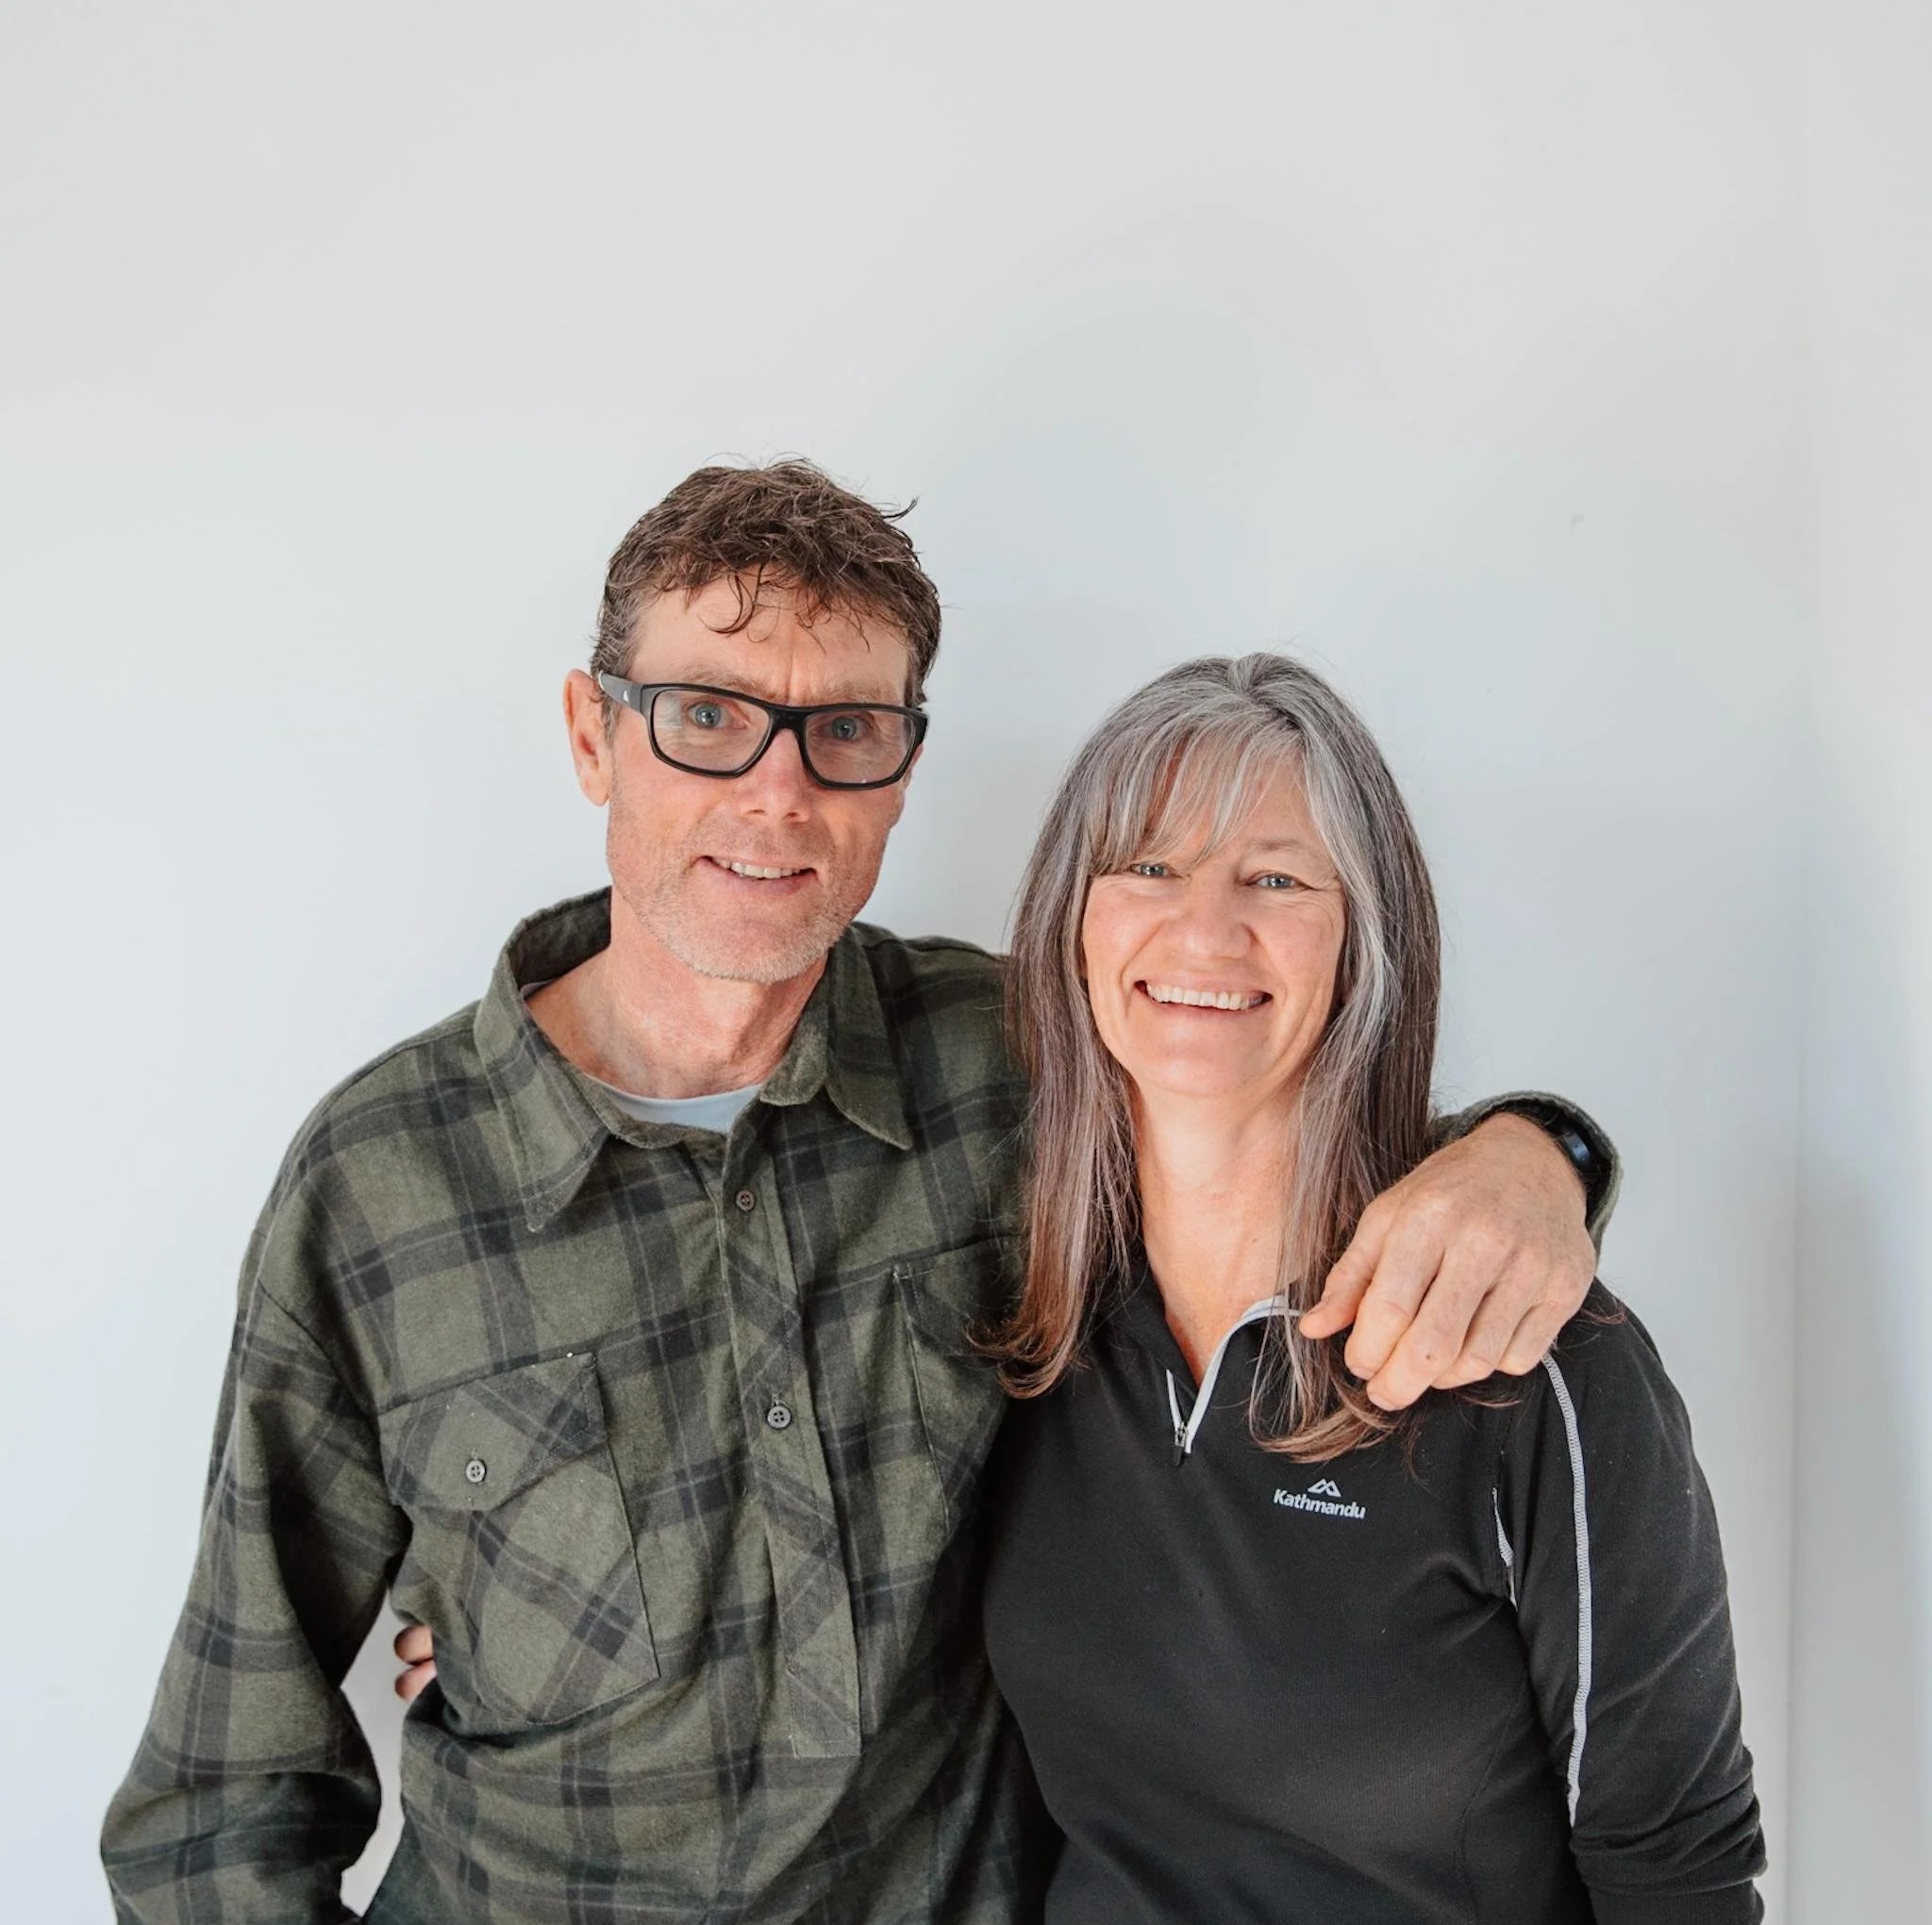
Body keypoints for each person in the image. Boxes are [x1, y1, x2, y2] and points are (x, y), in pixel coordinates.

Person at [103, 462, 1615, 1923]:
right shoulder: (382, 1188)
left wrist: (1543, 1149)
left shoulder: (1022, 1068)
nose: (779, 793)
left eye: (844, 731)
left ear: (903, 770)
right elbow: (226, 1801)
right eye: (706, 716)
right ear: (591, 735)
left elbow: (1288, 1103)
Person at [979, 654, 1763, 1922]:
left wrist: (1545, 1154)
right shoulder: (1030, 1327)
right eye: (1149, 866)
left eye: (1277, 878)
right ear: (1074, 921)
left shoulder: (1531, 1362)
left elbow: (1678, 1866)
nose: (1204, 930)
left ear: (1366, 941)